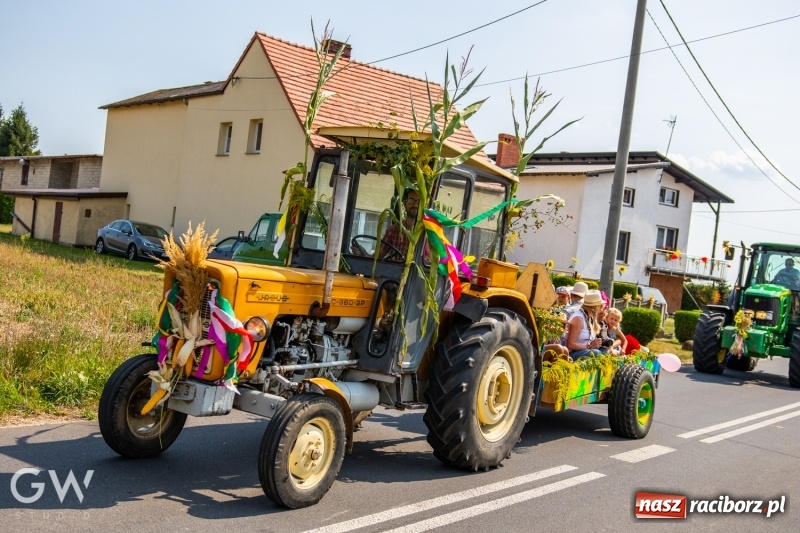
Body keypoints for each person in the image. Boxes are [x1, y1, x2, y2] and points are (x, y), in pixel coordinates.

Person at [377, 188, 420, 261]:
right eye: (411, 200)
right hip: (394, 271)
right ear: (404, 203)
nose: (415, 204)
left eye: (419, 201)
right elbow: (377, 257)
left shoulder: (429, 233)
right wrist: (361, 253)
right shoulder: (393, 230)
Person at [565, 289, 605, 360]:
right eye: (600, 306)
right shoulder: (579, 318)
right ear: (594, 307)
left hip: (583, 351)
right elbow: (570, 345)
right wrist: (590, 346)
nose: (601, 308)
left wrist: (596, 343)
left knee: (606, 351)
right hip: (572, 354)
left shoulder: (590, 318)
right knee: (596, 353)